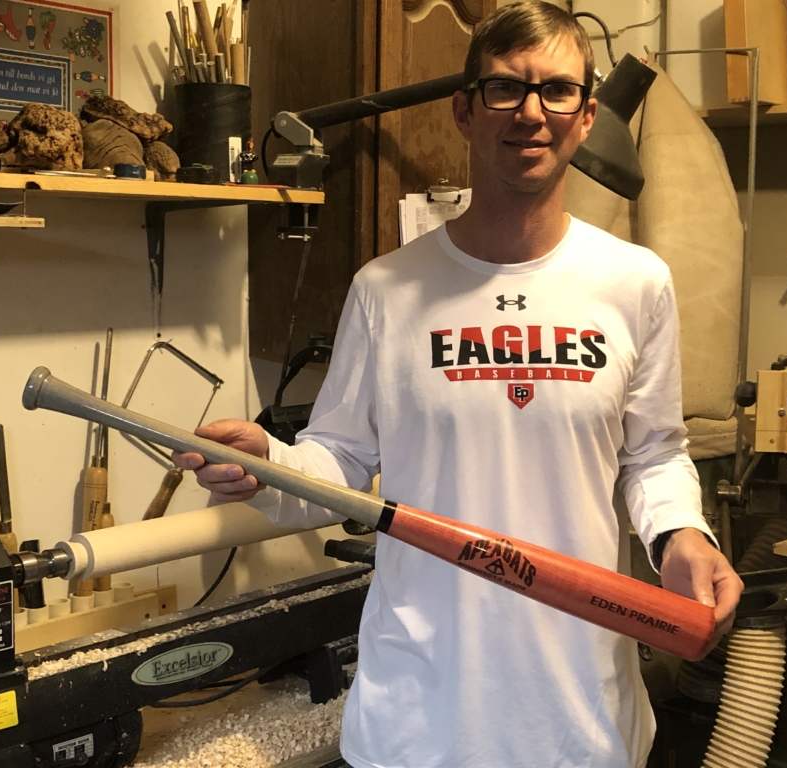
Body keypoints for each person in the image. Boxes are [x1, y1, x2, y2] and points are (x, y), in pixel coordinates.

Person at [174, 3, 744, 766]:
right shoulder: (386, 289)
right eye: (506, 89)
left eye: (558, 91)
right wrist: (267, 464)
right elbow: (340, 459)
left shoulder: (635, 283)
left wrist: (682, 536)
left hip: (578, 716)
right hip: (420, 716)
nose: (532, 112)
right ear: (465, 111)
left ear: (586, 116)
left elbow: (655, 455)